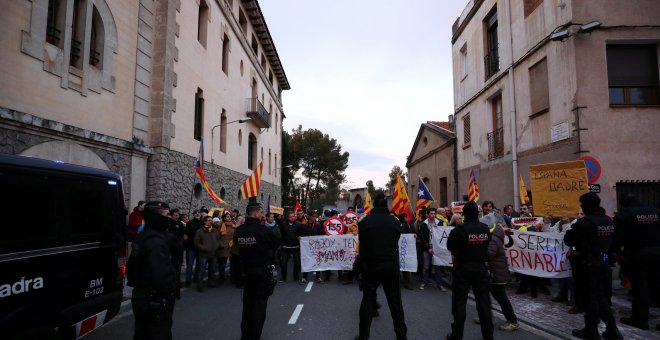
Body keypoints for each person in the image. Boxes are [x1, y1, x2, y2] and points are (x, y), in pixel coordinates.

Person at [564, 193, 622, 340]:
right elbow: (615, 243)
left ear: (585, 206)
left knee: (590, 298)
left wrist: (572, 231)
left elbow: (569, 240)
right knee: (601, 297)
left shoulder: (585, 223)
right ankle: (612, 329)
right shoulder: (608, 221)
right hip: (603, 262)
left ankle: (591, 330)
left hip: (587, 265)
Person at [355, 194, 407, 340]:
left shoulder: (365, 222)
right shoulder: (395, 222)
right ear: (386, 205)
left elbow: (362, 247)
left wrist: (362, 266)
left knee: (368, 300)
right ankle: (402, 336)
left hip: (371, 265)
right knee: (395, 302)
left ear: (374, 206)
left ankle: (363, 337)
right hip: (390, 265)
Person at [127, 201, 177, 340]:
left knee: (142, 334)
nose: (168, 218)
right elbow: (162, 276)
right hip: (153, 301)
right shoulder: (155, 241)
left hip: (141, 296)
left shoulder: (141, 237)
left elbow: (131, 269)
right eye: (166, 215)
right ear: (156, 216)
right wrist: (170, 292)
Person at [446, 201, 493, 340]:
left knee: (460, 303)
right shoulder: (485, 229)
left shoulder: (459, 230)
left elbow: (450, 247)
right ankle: (488, 336)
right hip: (480, 269)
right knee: (484, 304)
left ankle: (457, 335)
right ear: (477, 213)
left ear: (464, 214)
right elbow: (487, 244)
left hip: (463, 268)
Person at [613, 193, 660, 331]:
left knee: (641, 287)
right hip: (658, 253)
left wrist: (613, 255)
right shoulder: (655, 212)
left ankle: (640, 319)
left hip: (637, 254)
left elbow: (617, 239)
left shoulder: (623, 215)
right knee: (658, 285)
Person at [234, 202, 278, 340]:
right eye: (260, 212)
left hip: (246, 273)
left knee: (247, 306)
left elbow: (237, 248)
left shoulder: (239, 231)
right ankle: (254, 336)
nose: (262, 215)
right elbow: (275, 244)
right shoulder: (263, 230)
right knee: (259, 307)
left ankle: (245, 336)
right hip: (261, 273)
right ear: (255, 213)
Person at [481, 213, 518, 331]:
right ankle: (487, 316)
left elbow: (489, 253)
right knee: (487, 295)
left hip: (497, 272)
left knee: (501, 298)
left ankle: (513, 321)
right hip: (494, 271)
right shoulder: (495, 234)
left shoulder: (493, 237)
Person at [194, 216, 220, 292]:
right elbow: (196, 243)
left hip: (213, 254)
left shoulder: (214, 230)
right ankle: (200, 285)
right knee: (201, 270)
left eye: (211, 220)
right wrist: (204, 248)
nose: (210, 222)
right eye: (208, 220)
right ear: (204, 222)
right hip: (203, 254)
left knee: (212, 270)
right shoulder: (199, 231)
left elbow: (218, 239)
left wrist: (217, 246)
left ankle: (211, 283)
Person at [279, 211, 305, 282]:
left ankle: (295, 276)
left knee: (297, 263)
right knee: (284, 263)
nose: (292, 218)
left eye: (293, 216)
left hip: (295, 247)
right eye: (290, 216)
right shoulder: (283, 225)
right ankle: (283, 277)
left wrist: (300, 237)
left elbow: (301, 234)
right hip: (285, 247)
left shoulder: (298, 225)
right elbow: (280, 236)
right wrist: (282, 244)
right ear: (287, 217)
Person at [183, 210, 202, 287]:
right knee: (190, 264)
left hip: (199, 247)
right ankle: (188, 280)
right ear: (193, 214)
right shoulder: (189, 223)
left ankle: (196, 278)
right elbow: (188, 233)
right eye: (196, 213)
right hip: (191, 247)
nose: (197, 214)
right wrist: (197, 232)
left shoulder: (202, 223)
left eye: (199, 213)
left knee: (198, 264)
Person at [399, 213, 414, 290]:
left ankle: (399, 281)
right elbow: (409, 235)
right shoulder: (405, 226)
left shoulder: (398, 225)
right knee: (406, 266)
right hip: (406, 249)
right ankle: (407, 283)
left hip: (400, 248)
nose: (408, 218)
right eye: (406, 217)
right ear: (404, 218)